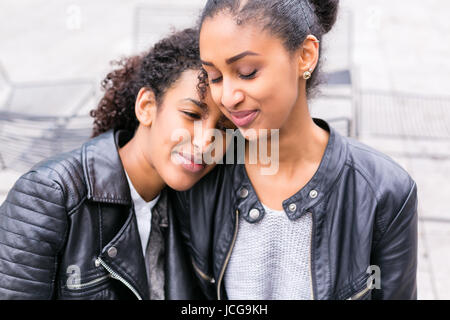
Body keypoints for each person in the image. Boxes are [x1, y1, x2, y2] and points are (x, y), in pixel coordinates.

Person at [174, 0, 418, 300]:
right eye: (214, 77)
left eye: (247, 72)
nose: (227, 97)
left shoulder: (384, 193)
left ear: (305, 55)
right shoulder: (203, 176)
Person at [0, 28, 233, 299]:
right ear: (146, 106)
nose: (207, 142)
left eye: (225, 128)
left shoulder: (197, 203)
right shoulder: (49, 194)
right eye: (191, 114)